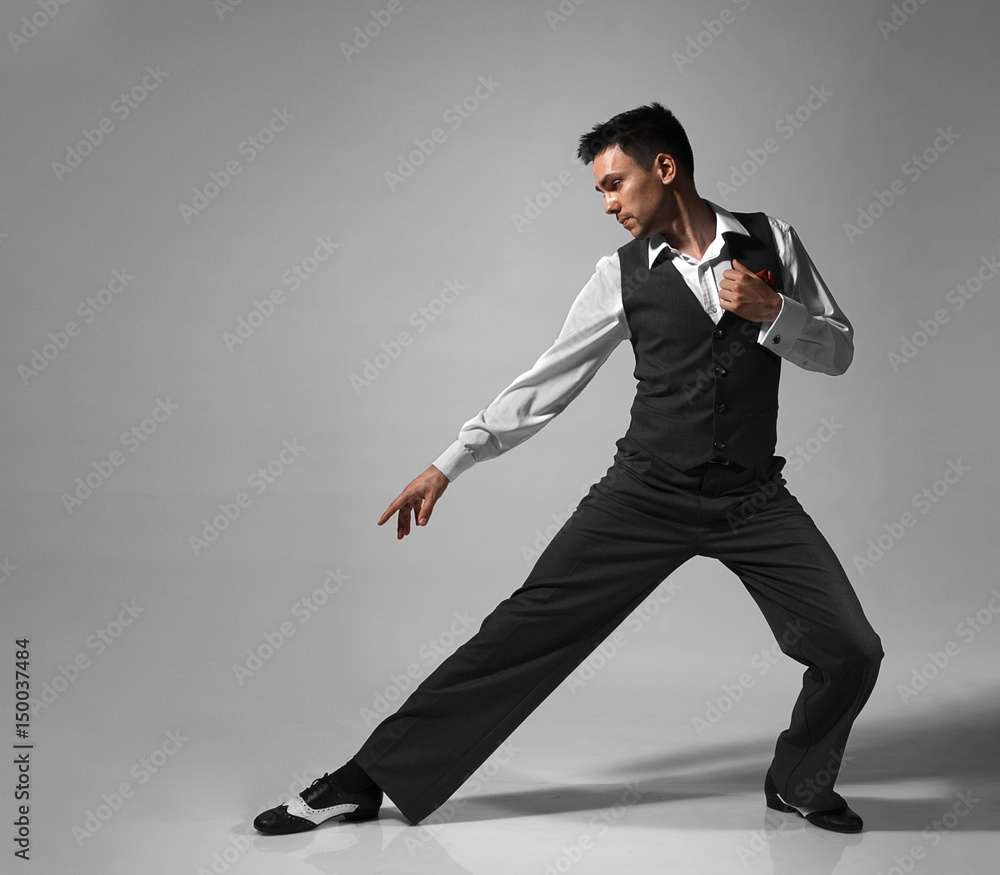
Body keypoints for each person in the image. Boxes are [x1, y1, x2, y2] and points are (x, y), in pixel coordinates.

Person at [254, 102, 883, 837]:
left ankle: (799, 781)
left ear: (665, 168)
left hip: (752, 499)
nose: (609, 204)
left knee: (851, 648)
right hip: (646, 494)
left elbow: (838, 351)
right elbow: (546, 382)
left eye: (615, 184)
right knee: (520, 631)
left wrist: (778, 310)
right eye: (601, 193)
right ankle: (363, 780)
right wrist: (449, 463)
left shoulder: (773, 241)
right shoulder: (618, 276)